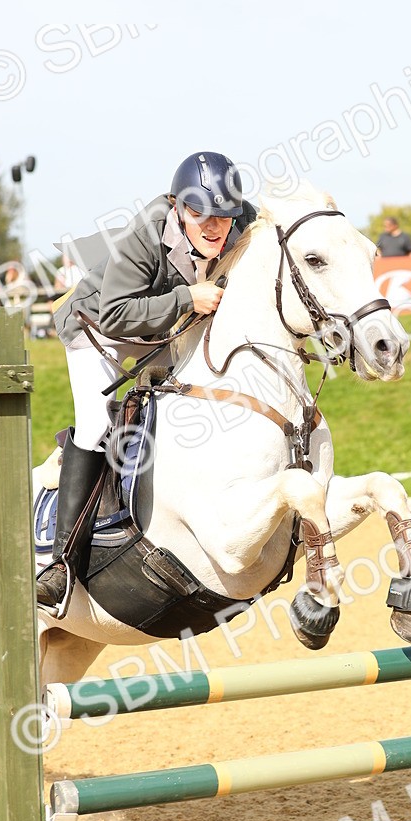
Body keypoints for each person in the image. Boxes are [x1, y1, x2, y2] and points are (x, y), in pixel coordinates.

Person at [36, 150, 255, 614]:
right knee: (97, 425)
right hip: (99, 329)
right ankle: (61, 566)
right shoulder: (143, 236)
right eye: (200, 214)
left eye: (224, 215)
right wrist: (186, 298)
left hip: (161, 330)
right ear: (178, 205)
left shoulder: (239, 220)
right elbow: (115, 313)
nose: (215, 227)